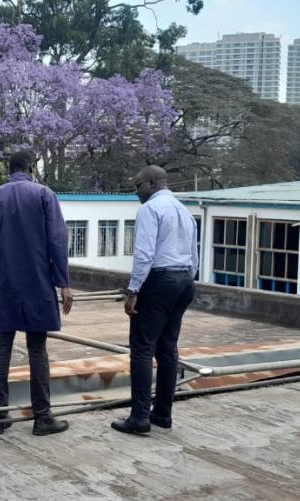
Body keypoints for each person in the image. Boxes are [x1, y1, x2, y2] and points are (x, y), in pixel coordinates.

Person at [0, 150, 74, 436]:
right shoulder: (44, 195)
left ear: (9, 169)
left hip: (4, 286)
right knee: (37, 349)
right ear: (30, 168)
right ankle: (42, 417)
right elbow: (57, 241)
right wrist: (64, 283)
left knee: (2, 348)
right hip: (38, 284)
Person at [111, 165, 198, 435]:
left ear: (151, 183)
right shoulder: (184, 210)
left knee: (142, 348)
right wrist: (186, 281)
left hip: (160, 280)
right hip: (184, 280)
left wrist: (133, 290)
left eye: (138, 186)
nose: (136, 192)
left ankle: (139, 416)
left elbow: (144, 254)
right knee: (168, 348)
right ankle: (162, 413)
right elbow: (193, 254)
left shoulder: (150, 209)